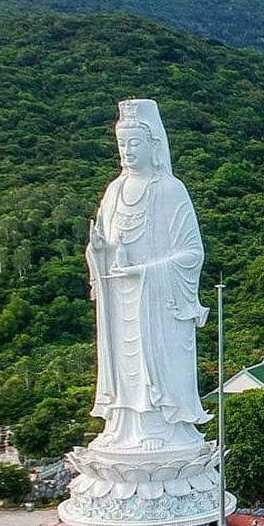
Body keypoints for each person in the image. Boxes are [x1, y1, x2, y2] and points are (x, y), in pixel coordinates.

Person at [86, 98, 211, 452]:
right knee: (122, 365)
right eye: (122, 143)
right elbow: (105, 244)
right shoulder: (114, 190)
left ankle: (159, 425)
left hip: (156, 300)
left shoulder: (170, 190)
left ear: (153, 144)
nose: (126, 150)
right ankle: (122, 423)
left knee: (153, 362)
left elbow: (193, 253)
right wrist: (98, 250)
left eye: (134, 142)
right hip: (120, 296)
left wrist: (145, 271)